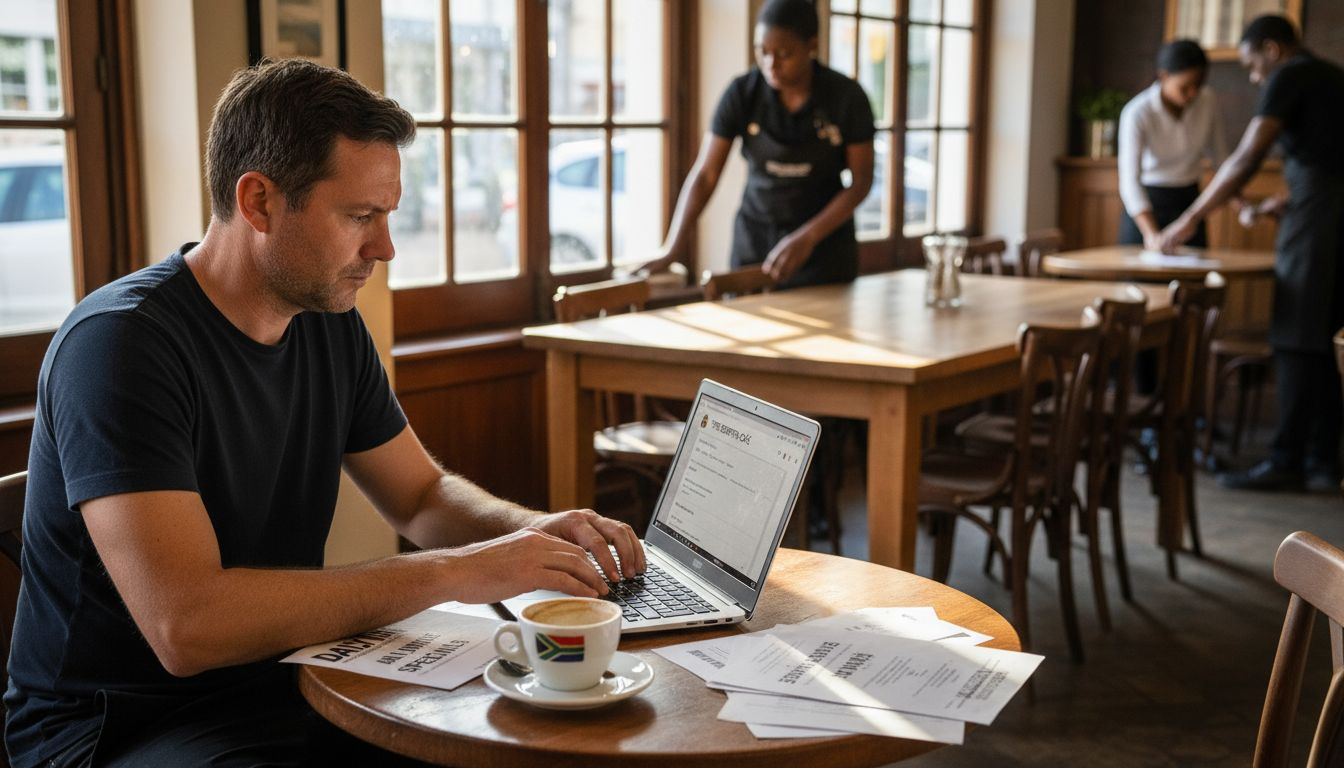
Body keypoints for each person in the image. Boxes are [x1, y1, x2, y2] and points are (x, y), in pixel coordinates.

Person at [4, 59, 644, 767]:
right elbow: (187, 627)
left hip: (288, 681)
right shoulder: (120, 346)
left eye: (387, 216)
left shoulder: (328, 324)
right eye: (360, 217)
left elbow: (422, 496)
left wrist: (533, 534)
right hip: (113, 731)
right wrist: (459, 571)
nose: (385, 248)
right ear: (259, 202)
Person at [1156, 15, 1344, 492]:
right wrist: (1288, 200)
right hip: (1329, 214)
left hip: (1317, 221)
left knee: (1296, 336)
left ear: (1272, 49)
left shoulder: (1290, 75)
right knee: (1330, 340)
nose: (1255, 77)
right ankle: (1325, 462)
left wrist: (1191, 217)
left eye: (1252, 65)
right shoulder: (1333, 75)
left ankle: (1287, 459)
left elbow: (1245, 157)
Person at [639, 0, 876, 288]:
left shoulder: (846, 97)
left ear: (812, 45)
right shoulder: (742, 94)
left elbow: (861, 181)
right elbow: (706, 175)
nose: (770, 65)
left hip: (824, 249)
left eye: (784, 54)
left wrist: (809, 237)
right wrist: (673, 248)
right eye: (762, 51)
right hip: (755, 242)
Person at [1117, 38, 1226, 252]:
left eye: (1198, 85)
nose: (1193, 93)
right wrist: (1151, 234)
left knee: (1194, 270)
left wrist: (1239, 200)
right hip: (1147, 204)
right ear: (1164, 76)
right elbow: (1129, 181)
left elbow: (1220, 158)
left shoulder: (1208, 101)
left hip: (1189, 203)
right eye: (1185, 87)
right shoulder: (1137, 112)